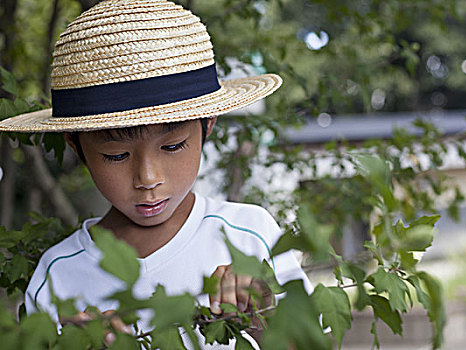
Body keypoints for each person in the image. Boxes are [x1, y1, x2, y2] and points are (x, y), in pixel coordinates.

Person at [0, 0, 312, 348]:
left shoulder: (251, 236)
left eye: (173, 146)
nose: (147, 178)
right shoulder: (57, 277)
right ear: (76, 146)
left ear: (207, 127)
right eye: (116, 155)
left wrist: (262, 320)